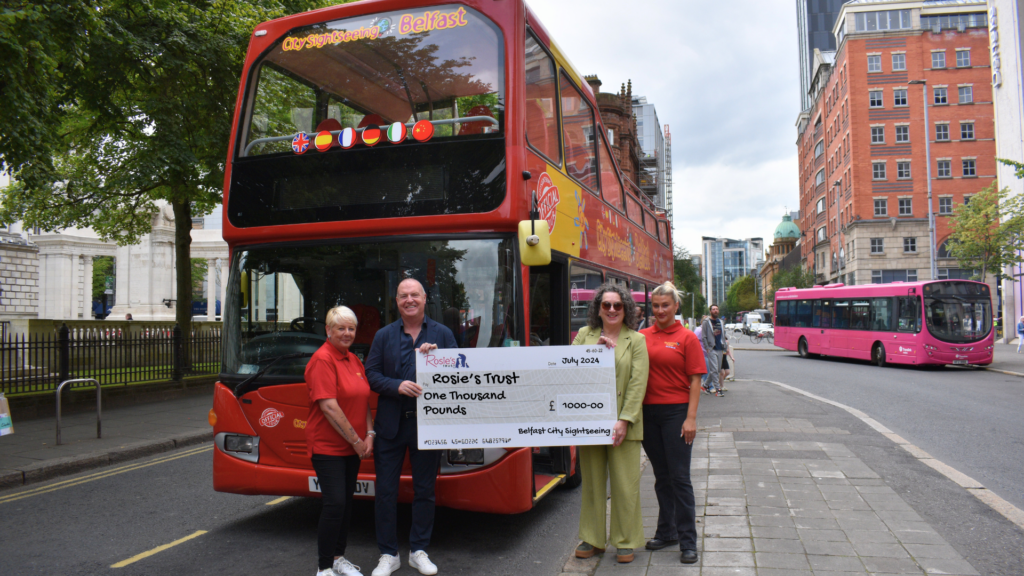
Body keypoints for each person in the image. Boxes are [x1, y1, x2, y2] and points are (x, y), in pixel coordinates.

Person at [365, 278, 457, 576]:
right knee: (386, 492)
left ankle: (419, 550)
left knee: (424, 491)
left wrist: (438, 359)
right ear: (397, 301)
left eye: (414, 294)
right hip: (390, 427)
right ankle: (388, 555)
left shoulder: (442, 334)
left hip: (427, 426)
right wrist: (397, 385)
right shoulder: (383, 335)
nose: (409, 300)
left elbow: (459, 372)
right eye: (403, 296)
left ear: (424, 298)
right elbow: (371, 375)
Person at [572, 284, 649, 564]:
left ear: (626, 308)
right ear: (598, 309)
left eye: (618, 305)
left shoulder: (636, 340)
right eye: (606, 305)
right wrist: (594, 351)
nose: (612, 310)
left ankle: (625, 541)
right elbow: (569, 370)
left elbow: (637, 383)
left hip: (623, 425)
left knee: (625, 486)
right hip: (590, 423)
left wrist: (625, 420)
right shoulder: (584, 336)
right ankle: (592, 539)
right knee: (592, 484)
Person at [305, 306, 375, 576]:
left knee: (345, 503)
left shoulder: (353, 360)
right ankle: (324, 568)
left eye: (351, 328)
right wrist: (357, 441)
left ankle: (338, 557)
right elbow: (329, 407)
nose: (347, 333)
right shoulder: (322, 359)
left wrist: (369, 435)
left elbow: (363, 400)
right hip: (328, 447)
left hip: (352, 445)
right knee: (335, 504)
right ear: (328, 330)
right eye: (341, 328)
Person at [640, 282, 707, 565]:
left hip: (676, 414)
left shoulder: (687, 337)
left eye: (665, 305)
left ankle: (688, 541)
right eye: (655, 306)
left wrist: (690, 418)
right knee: (662, 477)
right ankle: (666, 532)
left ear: (676, 306)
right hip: (647, 415)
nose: (660, 311)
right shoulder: (641, 336)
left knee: (680, 478)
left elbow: (695, 380)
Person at [700, 306, 728, 397]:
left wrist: (725, 345)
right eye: (713, 309)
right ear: (710, 311)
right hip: (712, 349)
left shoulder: (721, 321)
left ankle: (705, 385)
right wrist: (707, 347)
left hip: (720, 348)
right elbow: (704, 336)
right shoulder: (706, 322)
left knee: (717, 370)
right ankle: (718, 390)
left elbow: (724, 334)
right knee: (714, 370)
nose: (715, 311)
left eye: (717, 309)